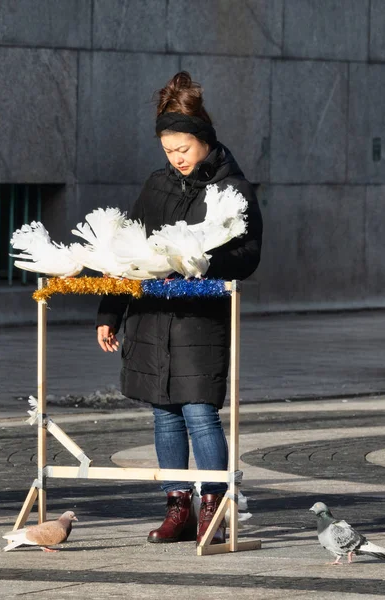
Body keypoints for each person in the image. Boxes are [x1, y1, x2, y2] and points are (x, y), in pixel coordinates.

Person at [96, 71, 263, 545]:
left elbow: (248, 255)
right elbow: (128, 251)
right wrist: (110, 312)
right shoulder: (156, 185)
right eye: (168, 152)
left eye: (183, 150)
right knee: (163, 412)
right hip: (151, 316)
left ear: (204, 141)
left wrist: (203, 263)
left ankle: (214, 505)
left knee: (198, 411)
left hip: (199, 320)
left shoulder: (234, 189)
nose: (176, 159)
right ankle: (177, 507)